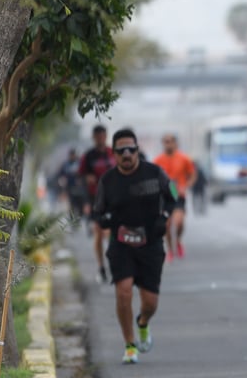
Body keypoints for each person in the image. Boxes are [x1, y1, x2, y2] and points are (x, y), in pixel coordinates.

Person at [93, 129, 176, 364]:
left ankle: (143, 322)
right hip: (121, 243)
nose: (127, 154)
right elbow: (98, 211)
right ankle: (130, 345)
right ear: (115, 153)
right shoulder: (108, 181)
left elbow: (172, 196)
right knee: (124, 290)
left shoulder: (154, 173)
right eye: (121, 151)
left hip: (151, 243)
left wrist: (165, 217)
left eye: (131, 149)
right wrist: (104, 221)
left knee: (150, 303)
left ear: (138, 150)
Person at [78, 124, 115, 283]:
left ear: (106, 136)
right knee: (99, 234)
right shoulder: (88, 157)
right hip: (95, 199)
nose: (101, 139)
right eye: (98, 136)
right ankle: (101, 266)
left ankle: (114, 262)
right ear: (94, 138)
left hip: (113, 198)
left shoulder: (113, 153)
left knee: (111, 233)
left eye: (103, 136)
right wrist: (86, 202)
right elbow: (80, 179)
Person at [152, 134, 197, 262]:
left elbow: (193, 175)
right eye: (166, 141)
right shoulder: (158, 161)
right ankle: (170, 250)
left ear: (175, 143)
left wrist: (186, 186)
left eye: (170, 141)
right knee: (166, 225)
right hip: (164, 196)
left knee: (179, 222)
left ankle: (178, 240)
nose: (168, 144)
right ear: (163, 143)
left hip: (178, 195)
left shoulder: (183, 158)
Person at [57, 147, 87, 227]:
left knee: (80, 205)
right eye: (71, 155)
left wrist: (82, 180)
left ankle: (79, 219)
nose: (72, 156)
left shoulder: (80, 163)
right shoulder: (66, 164)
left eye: (74, 154)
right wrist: (62, 181)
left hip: (80, 188)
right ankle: (73, 220)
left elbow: (85, 173)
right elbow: (60, 175)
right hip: (70, 188)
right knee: (72, 204)